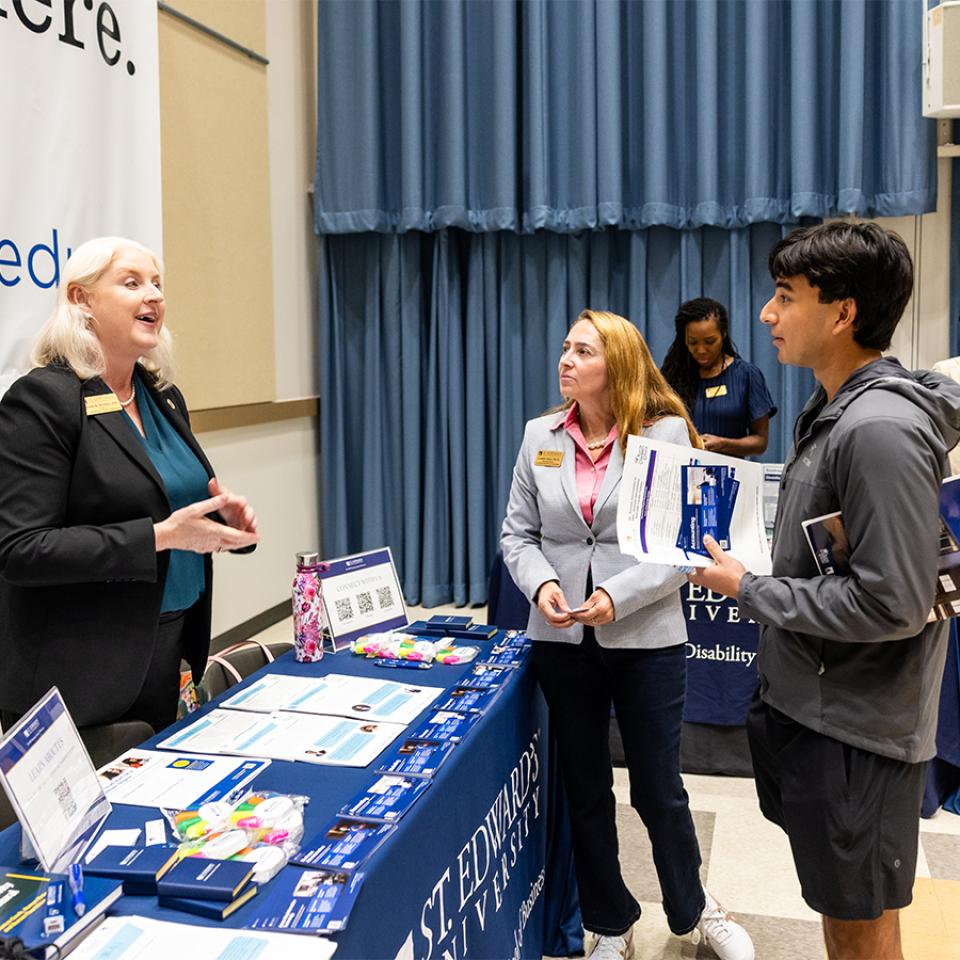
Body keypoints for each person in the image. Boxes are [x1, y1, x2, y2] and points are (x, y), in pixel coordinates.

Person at [688, 222, 960, 960]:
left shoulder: (878, 429)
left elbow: (894, 602)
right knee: (845, 912)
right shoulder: (835, 410)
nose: (767, 315)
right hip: (816, 708)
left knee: (862, 928)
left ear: (843, 313)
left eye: (785, 297)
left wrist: (752, 590)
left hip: (857, 733)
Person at [501, 309, 754, 960]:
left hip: (647, 639)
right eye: (564, 347)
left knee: (657, 788)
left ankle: (696, 910)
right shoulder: (539, 436)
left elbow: (687, 548)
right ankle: (611, 920)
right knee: (585, 787)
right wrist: (542, 586)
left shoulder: (667, 433)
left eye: (581, 350)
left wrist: (616, 595)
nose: (565, 359)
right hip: (560, 639)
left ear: (614, 363)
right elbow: (517, 535)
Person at [0, 237, 259, 747]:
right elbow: (21, 550)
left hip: (168, 648)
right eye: (132, 282)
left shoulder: (161, 396)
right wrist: (159, 536)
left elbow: (172, 504)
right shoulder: (44, 399)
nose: (154, 296)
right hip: (80, 669)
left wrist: (228, 528)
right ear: (80, 299)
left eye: (158, 284)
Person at [661, 297, 776, 456]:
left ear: (723, 334)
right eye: (693, 342)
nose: (701, 350)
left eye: (710, 341)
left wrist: (723, 444)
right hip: (681, 474)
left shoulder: (747, 375)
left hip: (730, 475)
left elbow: (760, 442)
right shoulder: (672, 377)